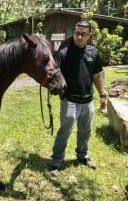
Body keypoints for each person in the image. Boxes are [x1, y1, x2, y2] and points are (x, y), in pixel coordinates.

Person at [49, 20, 107, 177]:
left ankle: (82, 156)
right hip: (70, 100)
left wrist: (102, 95)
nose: (79, 36)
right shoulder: (63, 53)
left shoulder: (93, 53)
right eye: (77, 33)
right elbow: (53, 74)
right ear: (73, 33)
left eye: (83, 34)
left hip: (88, 100)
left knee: (85, 131)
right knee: (65, 131)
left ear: (89, 36)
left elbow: (97, 75)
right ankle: (56, 161)